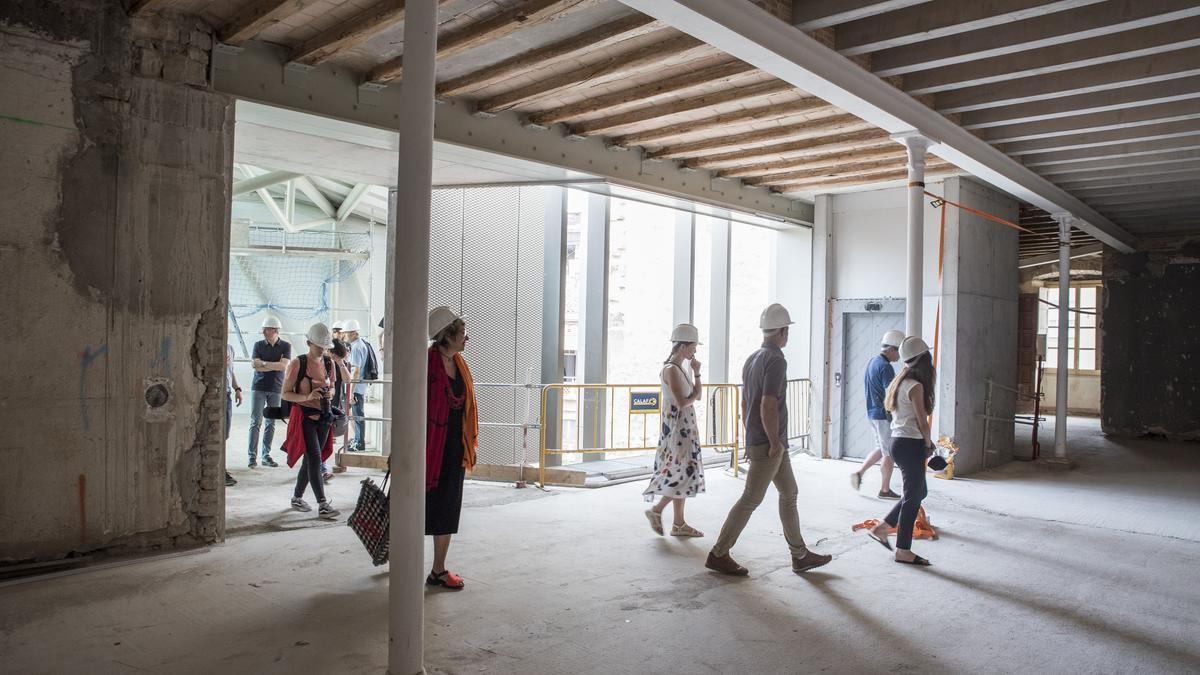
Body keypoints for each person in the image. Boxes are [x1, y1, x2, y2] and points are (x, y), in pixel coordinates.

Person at [706, 303, 832, 576]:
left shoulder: (752, 358)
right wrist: (773, 441)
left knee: (789, 493)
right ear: (783, 332)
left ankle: (800, 555)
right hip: (770, 443)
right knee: (751, 498)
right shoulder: (776, 360)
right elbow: (767, 403)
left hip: (766, 440)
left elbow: (745, 403)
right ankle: (718, 553)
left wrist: (753, 434)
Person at [866, 336, 936, 566]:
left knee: (918, 492)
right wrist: (928, 443)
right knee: (913, 498)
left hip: (899, 441)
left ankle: (883, 527)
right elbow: (922, 421)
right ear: (924, 360)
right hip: (909, 443)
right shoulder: (916, 386)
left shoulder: (900, 379)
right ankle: (903, 550)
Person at [425, 306, 478, 590]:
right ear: (447, 336)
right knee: (417, 507)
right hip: (427, 450)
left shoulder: (459, 365)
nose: (466, 338)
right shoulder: (425, 364)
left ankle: (438, 569)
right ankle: (401, 559)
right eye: (462, 333)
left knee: (447, 507)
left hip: (454, 448)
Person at [643, 323, 706, 537]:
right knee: (683, 472)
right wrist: (694, 396)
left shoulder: (681, 369)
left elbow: (697, 395)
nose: (695, 351)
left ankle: (679, 523)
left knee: (683, 471)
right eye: (693, 347)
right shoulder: (671, 370)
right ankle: (657, 510)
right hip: (678, 430)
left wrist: (697, 374)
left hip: (684, 427)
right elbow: (683, 401)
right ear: (682, 346)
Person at [280, 323, 340, 520]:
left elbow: (332, 388)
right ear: (308, 343)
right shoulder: (298, 363)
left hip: (323, 416)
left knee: (312, 459)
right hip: (305, 416)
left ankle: (297, 497)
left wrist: (327, 394)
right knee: (314, 457)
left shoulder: (329, 363)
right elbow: (286, 394)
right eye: (319, 346)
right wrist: (308, 397)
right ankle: (322, 503)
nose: (322, 350)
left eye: (324, 347)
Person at [850, 330, 905, 499]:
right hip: (883, 416)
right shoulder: (886, 368)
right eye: (899, 352)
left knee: (881, 449)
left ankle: (859, 473)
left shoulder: (873, 362)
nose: (900, 356)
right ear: (892, 350)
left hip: (873, 414)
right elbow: (891, 394)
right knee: (889, 453)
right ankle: (884, 489)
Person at [247, 316, 291, 468]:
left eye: (267, 329)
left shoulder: (286, 346)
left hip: (276, 388)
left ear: (275, 330)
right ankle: (252, 457)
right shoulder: (258, 345)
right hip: (258, 387)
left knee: (270, 423)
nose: (264, 331)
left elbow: (283, 367)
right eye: (264, 329)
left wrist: (264, 364)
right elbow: (255, 365)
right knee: (255, 422)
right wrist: (273, 364)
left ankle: (266, 455)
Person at [321, 338, 353, 483]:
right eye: (331, 353)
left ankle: (321, 468)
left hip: (333, 408)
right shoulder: (321, 362)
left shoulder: (338, 364)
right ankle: (321, 469)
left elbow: (347, 380)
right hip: (320, 405)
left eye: (335, 355)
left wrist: (340, 363)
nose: (332, 356)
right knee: (321, 440)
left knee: (327, 440)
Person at [343, 319, 371, 452]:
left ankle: (360, 443)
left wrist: (351, 391)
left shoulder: (357, 347)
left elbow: (356, 371)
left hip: (357, 388)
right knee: (356, 414)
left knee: (358, 414)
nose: (345, 336)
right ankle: (358, 440)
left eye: (347, 333)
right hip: (358, 386)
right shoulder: (358, 345)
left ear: (354, 333)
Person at [225, 344, 243, 487]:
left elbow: (231, 371)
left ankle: (221, 467)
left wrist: (237, 388)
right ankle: (220, 470)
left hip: (227, 395)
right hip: (216, 394)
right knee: (218, 435)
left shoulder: (230, 348)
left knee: (224, 434)